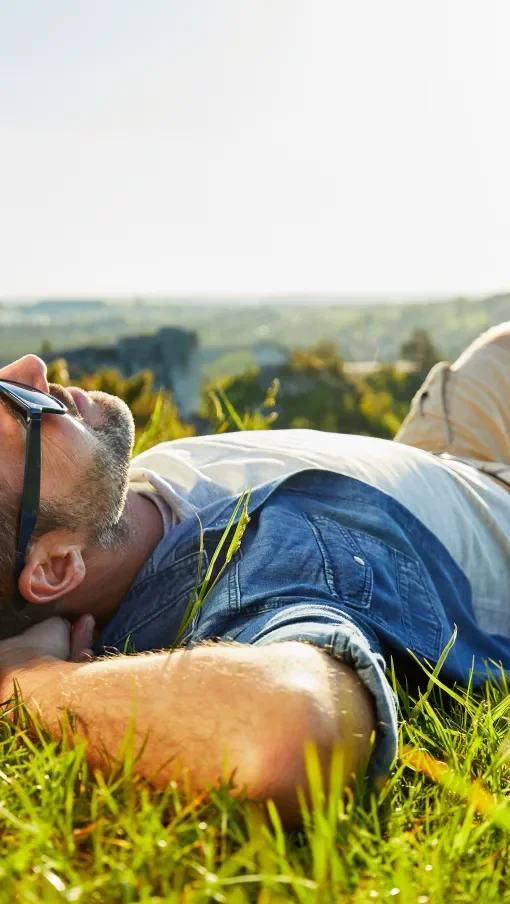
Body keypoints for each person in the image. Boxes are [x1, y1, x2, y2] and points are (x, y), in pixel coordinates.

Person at [1, 323, 510, 827]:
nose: (30, 368)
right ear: (55, 568)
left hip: (435, 457)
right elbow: (291, 731)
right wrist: (25, 679)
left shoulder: (115, 507)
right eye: (21, 409)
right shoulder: (258, 558)